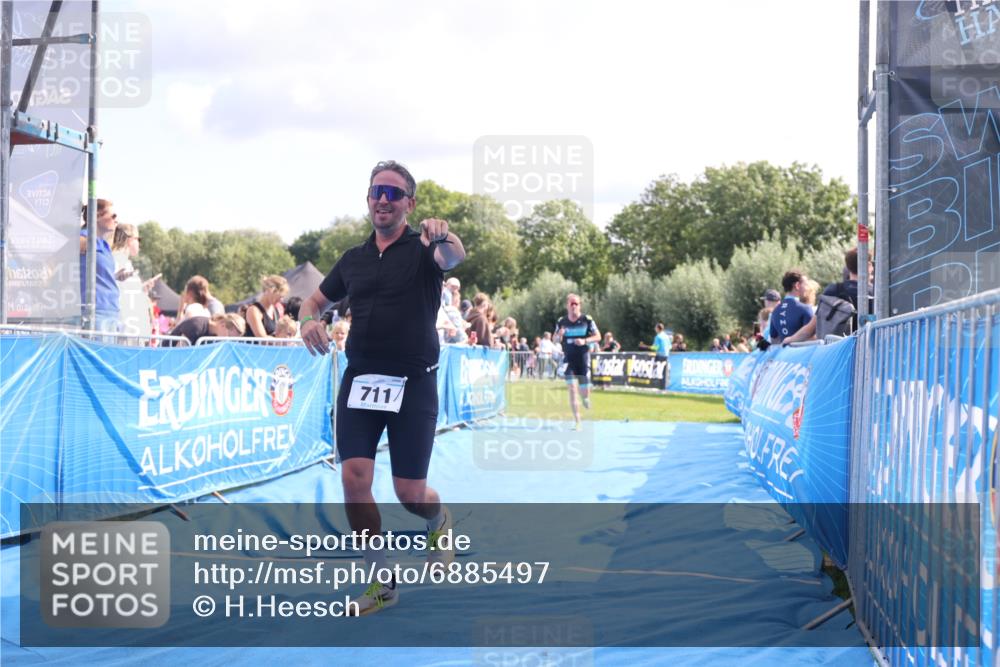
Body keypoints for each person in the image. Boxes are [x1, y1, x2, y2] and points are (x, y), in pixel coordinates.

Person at [299, 160, 466, 616]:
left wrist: (444, 235)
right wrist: (309, 321)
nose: (384, 200)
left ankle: (438, 518)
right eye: (377, 192)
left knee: (410, 495)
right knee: (354, 478)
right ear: (368, 199)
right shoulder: (352, 259)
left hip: (413, 383)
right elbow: (313, 301)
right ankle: (382, 580)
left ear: (409, 204)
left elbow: (454, 257)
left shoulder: (423, 249)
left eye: (394, 193)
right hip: (361, 380)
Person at [784, 247, 873, 344]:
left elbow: (811, 328)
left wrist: (789, 340)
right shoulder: (876, 294)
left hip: (839, 353)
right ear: (868, 266)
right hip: (871, 353)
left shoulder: (834, 290)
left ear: (848, 267)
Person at [553, 293, 601, 430]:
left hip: (583, 358)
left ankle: (586, 398)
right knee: (572, 389)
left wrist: (585, 341)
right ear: (567, 305)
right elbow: (554, 339)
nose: (574, 306)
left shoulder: (587, 319)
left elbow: (598, 336)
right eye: (571, 303)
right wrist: (559, 335)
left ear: (580, 305)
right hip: (569, 360)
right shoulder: (561, 322)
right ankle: (577, 421)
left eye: (576, 304)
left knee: (584, 391)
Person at [79, 199, 120, 334]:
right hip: (95, 312)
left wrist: (117, 276)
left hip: (112, 311)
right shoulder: (83, 239)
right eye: (113, 216)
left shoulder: (104, 245)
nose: (116, 220)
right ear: (96, 216)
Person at [111, 223, 154, 339]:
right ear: (129, 239)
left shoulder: (123, 261)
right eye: (138, 239)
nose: (139, 244)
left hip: (131, 328)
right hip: (126, 329)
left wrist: (142, 289)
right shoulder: (117, 260)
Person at [769, 270, 814, 344]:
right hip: (803, 354)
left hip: (784, 355)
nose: (807, 288)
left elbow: (774, 341)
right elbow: (812, 339)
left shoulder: (775, 311)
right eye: (806, 285)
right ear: (797, 286)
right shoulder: (805, 309)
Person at [164, 313, 246, 346]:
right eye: (229, 337)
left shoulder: (215, 336)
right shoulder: (197, 326)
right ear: (223, 325)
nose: (227, 341)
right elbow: (179, 352)